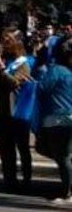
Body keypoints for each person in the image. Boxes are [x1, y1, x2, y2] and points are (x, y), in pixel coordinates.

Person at [0, 35, 33, 193]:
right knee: (5, 148)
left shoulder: (23, 64)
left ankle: (26, 181)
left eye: (7, 44)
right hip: (1, 111)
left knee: (22, 147)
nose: (4, 48)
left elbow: (15, 83)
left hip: (17, 112)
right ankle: (10, 180)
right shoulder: (5, 63)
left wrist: (1, 68)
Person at [37, 42, 72, 204]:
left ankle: (68, 193)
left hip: (58, 118)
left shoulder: (57, 70)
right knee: (65, 155)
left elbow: (42, 88)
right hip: (66, 117)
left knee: (62, 156)